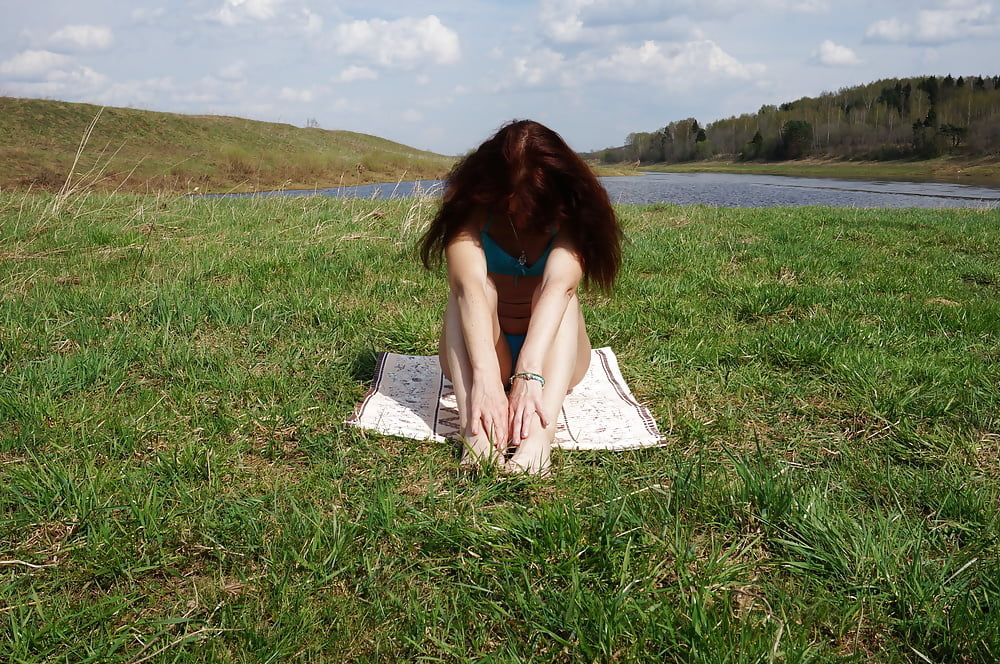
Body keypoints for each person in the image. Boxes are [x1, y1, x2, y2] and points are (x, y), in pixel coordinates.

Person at [419, 120, 622, 475]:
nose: (523, 216)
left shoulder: (570, 220)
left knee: (565, 303)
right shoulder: (469, 219)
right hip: (485, 351)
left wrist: (529, 374)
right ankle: (477, 434)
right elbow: (469, 288)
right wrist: (484, 377)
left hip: (551, 358)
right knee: (464, 292)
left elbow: (558, 287)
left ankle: (537, 441)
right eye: (512, 205)